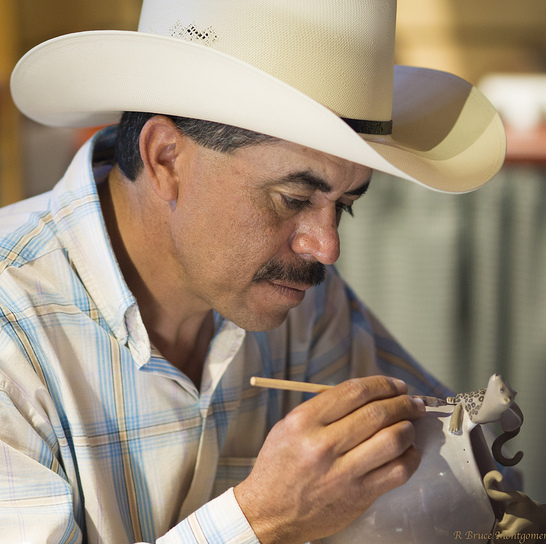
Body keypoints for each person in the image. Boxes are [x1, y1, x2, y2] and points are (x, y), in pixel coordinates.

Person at [1, 1, 506, 543]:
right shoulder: (12, 331)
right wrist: (263, 519)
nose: (326, 246)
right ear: (166, 157)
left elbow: (470, 470)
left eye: (345, 204)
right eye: (292, 199)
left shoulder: (300, 296)